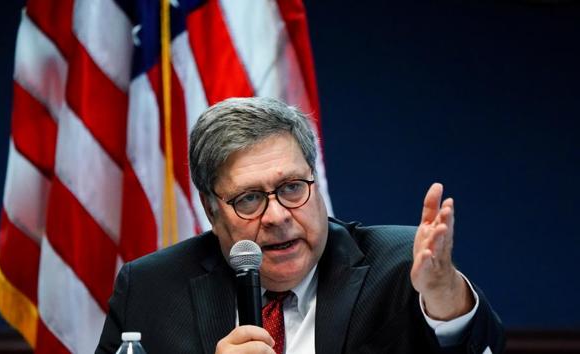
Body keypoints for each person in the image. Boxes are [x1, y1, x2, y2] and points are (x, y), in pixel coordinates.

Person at [96, 97, 504, 353]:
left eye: (292, 188)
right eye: (249, 199)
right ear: (211, 210)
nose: (276, 216)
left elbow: (478, 347)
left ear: (316, 181)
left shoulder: (399, 268)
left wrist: (446, 297)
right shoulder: (151, 289)